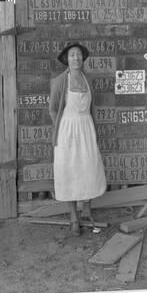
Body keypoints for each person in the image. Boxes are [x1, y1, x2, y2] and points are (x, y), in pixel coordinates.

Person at [49, 42, 107, 236]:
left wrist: (91, 128)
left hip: (86, 127)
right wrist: (61, 127)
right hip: (67, 130)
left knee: (89, 168)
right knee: (69, 171)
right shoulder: (59, 81)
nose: (76, 58)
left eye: (79, 55)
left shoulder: (87, 80)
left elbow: (91, 107)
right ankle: (74, 217)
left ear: (82, 59)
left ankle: (87, 209)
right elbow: (53, 108)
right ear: (67, 59)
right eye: (72, 55)